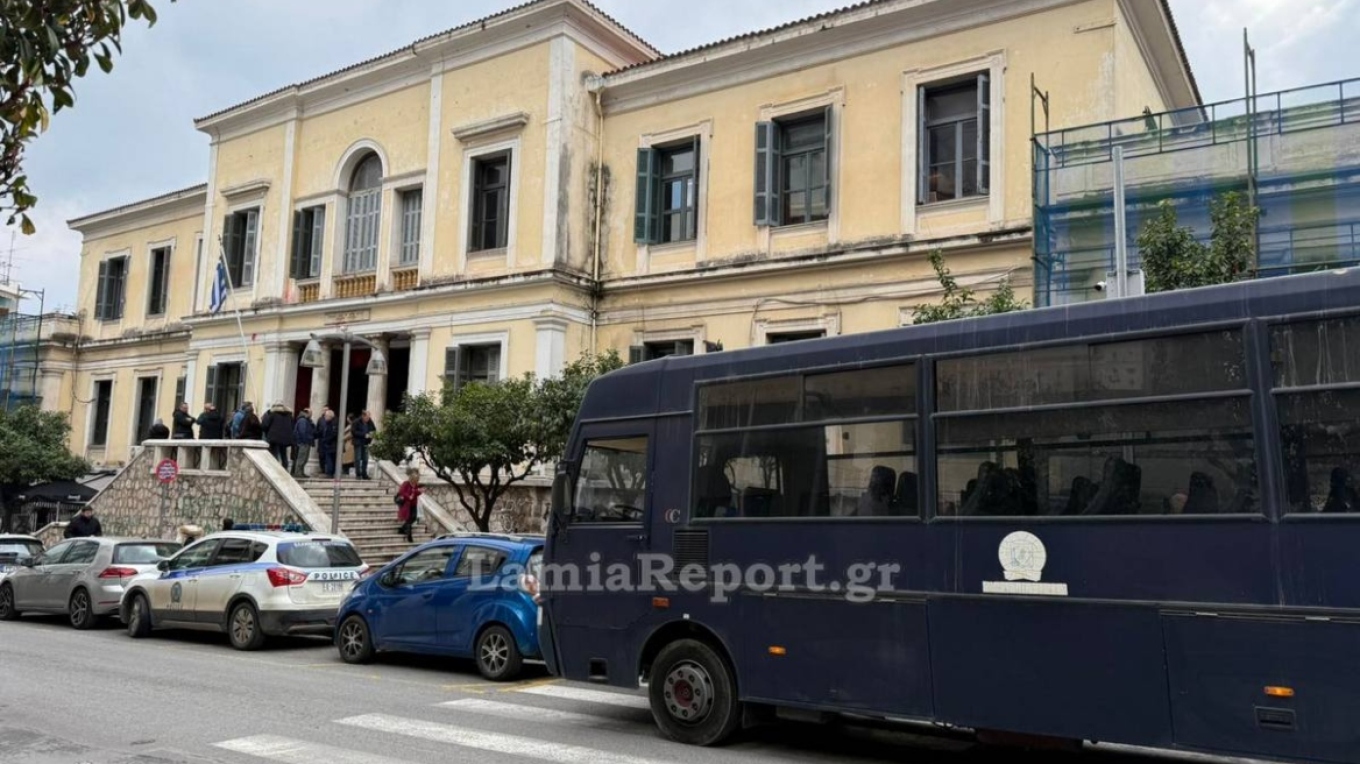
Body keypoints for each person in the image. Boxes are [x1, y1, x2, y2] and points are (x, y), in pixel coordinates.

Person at [261, 403, 295, 470]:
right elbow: (292, 426)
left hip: (274, 438)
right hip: (285, 439)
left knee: (274, 455)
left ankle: (275, 470)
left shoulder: (272, 414)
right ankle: (285, 469)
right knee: (284, 455)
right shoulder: (289, 415)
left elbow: (265, 425)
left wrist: (267, 433)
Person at [396, 468, 423, 543]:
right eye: (415, 480)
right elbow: (401, 492)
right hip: (406, 504)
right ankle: (409, 535)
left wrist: (420, 492)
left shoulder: (416, 485)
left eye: (417, 480)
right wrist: (408, 496)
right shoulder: (406, 484)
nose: (416, 482)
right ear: (412, 479)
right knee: (409, 518)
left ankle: (402, 529)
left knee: (414, 517)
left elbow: (416, 493)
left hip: (413, 503)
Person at [292, 408, 316, 478]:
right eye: (310, 413)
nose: (311, 415)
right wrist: (306, 440)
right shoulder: (303, 420)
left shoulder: (307, 420)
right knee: (301, 458)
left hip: (305, 442)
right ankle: (298, 473)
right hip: (303, 442)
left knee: (304, 458)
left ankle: (301, 472)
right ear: (307, 413)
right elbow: (302, 432)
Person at [353, 411, 377, 480]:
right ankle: (358, 474)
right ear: (363, 416)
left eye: (369, 417)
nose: (368, 419)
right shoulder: (356, 422)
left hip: (366, 442)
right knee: (358, 458)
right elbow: (354, 432)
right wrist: (364, 434)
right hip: (358, 442)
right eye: (367, 417)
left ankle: (364, 474)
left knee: (365, 459)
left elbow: (374, 429)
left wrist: (371, 434)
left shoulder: (370, 422)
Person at [317, 409, 339, 477]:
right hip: (328, 444)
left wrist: (326, 440)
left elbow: (334, 434)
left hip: (332, 444)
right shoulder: (328, 423)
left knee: (330, 459)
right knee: (329, 459)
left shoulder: (334, 423)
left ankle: (330, 473)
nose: (324, 417)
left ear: (330, 416)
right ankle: (330, 472)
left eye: (326, 416)